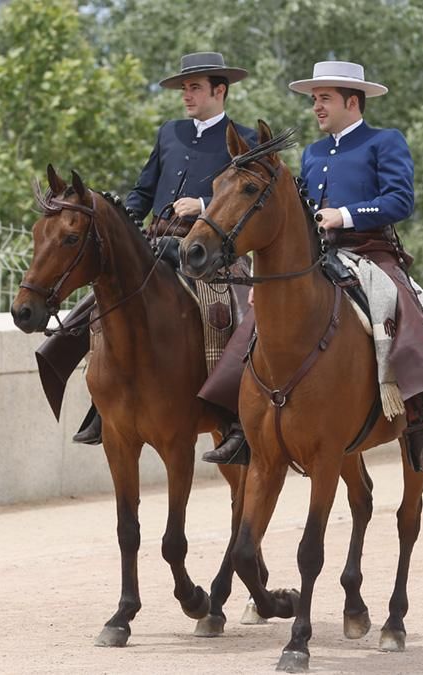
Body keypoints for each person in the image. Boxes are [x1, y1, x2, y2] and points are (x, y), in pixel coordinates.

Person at [33, 52, 258, 461]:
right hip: (155, 243)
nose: (186, 95)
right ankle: (103, 404)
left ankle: (234, 417)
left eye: (194, 88)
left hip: (211, 252)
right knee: (104, 302)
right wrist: (121, 226)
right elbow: (142, 191)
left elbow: (248, 200)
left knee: (233, 311)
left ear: (219, 91)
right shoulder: (169, 132)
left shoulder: (245, 139)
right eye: (184, 88)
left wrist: (203, 205)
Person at [289, 60, 423, 472]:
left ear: (352, 102)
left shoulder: (384, 141)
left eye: (325, 98)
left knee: (402, 308)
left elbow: (400, 200)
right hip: (318, 256)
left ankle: (417, 422)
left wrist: (344, 215)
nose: (316, 107)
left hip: (371, 250)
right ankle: (244, 421)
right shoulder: (312, 153)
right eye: (314, 99)